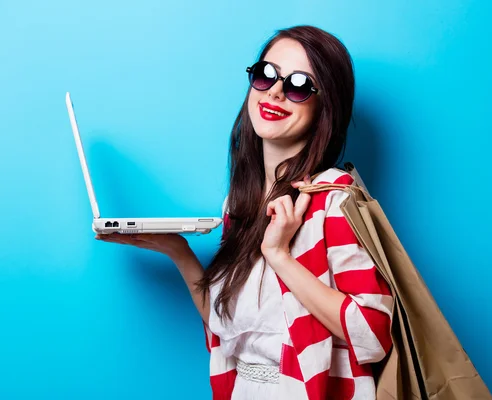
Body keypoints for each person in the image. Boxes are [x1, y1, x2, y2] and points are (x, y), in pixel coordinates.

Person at [98, 25, 393, 400]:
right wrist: (178, 251)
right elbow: (231, 331)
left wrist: (280, 256)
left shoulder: (331, 200)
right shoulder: (239, 206)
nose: (275, 91)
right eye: (266, 75)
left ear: (325, 106)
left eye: (299, 85)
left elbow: (372, 335)